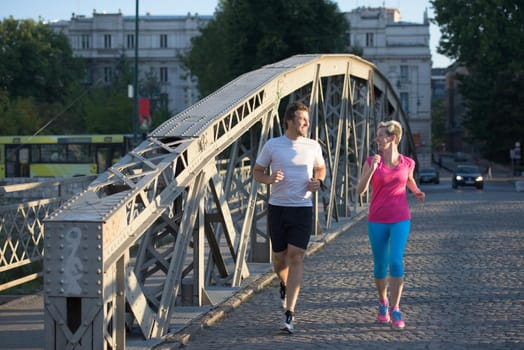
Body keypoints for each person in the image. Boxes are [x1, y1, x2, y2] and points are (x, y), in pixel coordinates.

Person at [253, 101, 326, 334]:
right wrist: (269, 179)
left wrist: (319, 180)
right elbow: (257, 172)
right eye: (302, 119)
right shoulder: (273, 145)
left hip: (303, 208)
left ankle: (289, 313)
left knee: (297, 257)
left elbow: (321, 168)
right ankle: (284, 283)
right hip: (278, 208)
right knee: (279, 261)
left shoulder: (313, 146)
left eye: (307, 119)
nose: (307, 123)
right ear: (289, 121)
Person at [356, 120, 425, 330]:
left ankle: (395, 308)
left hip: (400, 218)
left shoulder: (407, 162)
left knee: (396, 262)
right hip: (376, 219)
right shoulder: (371, 161)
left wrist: (416, 191)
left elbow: (409, 179)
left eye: (381, 136)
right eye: (377, 136)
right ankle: (382, 302)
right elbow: (360, 190)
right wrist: (372, 168)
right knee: (379, 265)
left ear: (392, 138)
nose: (376, 139)